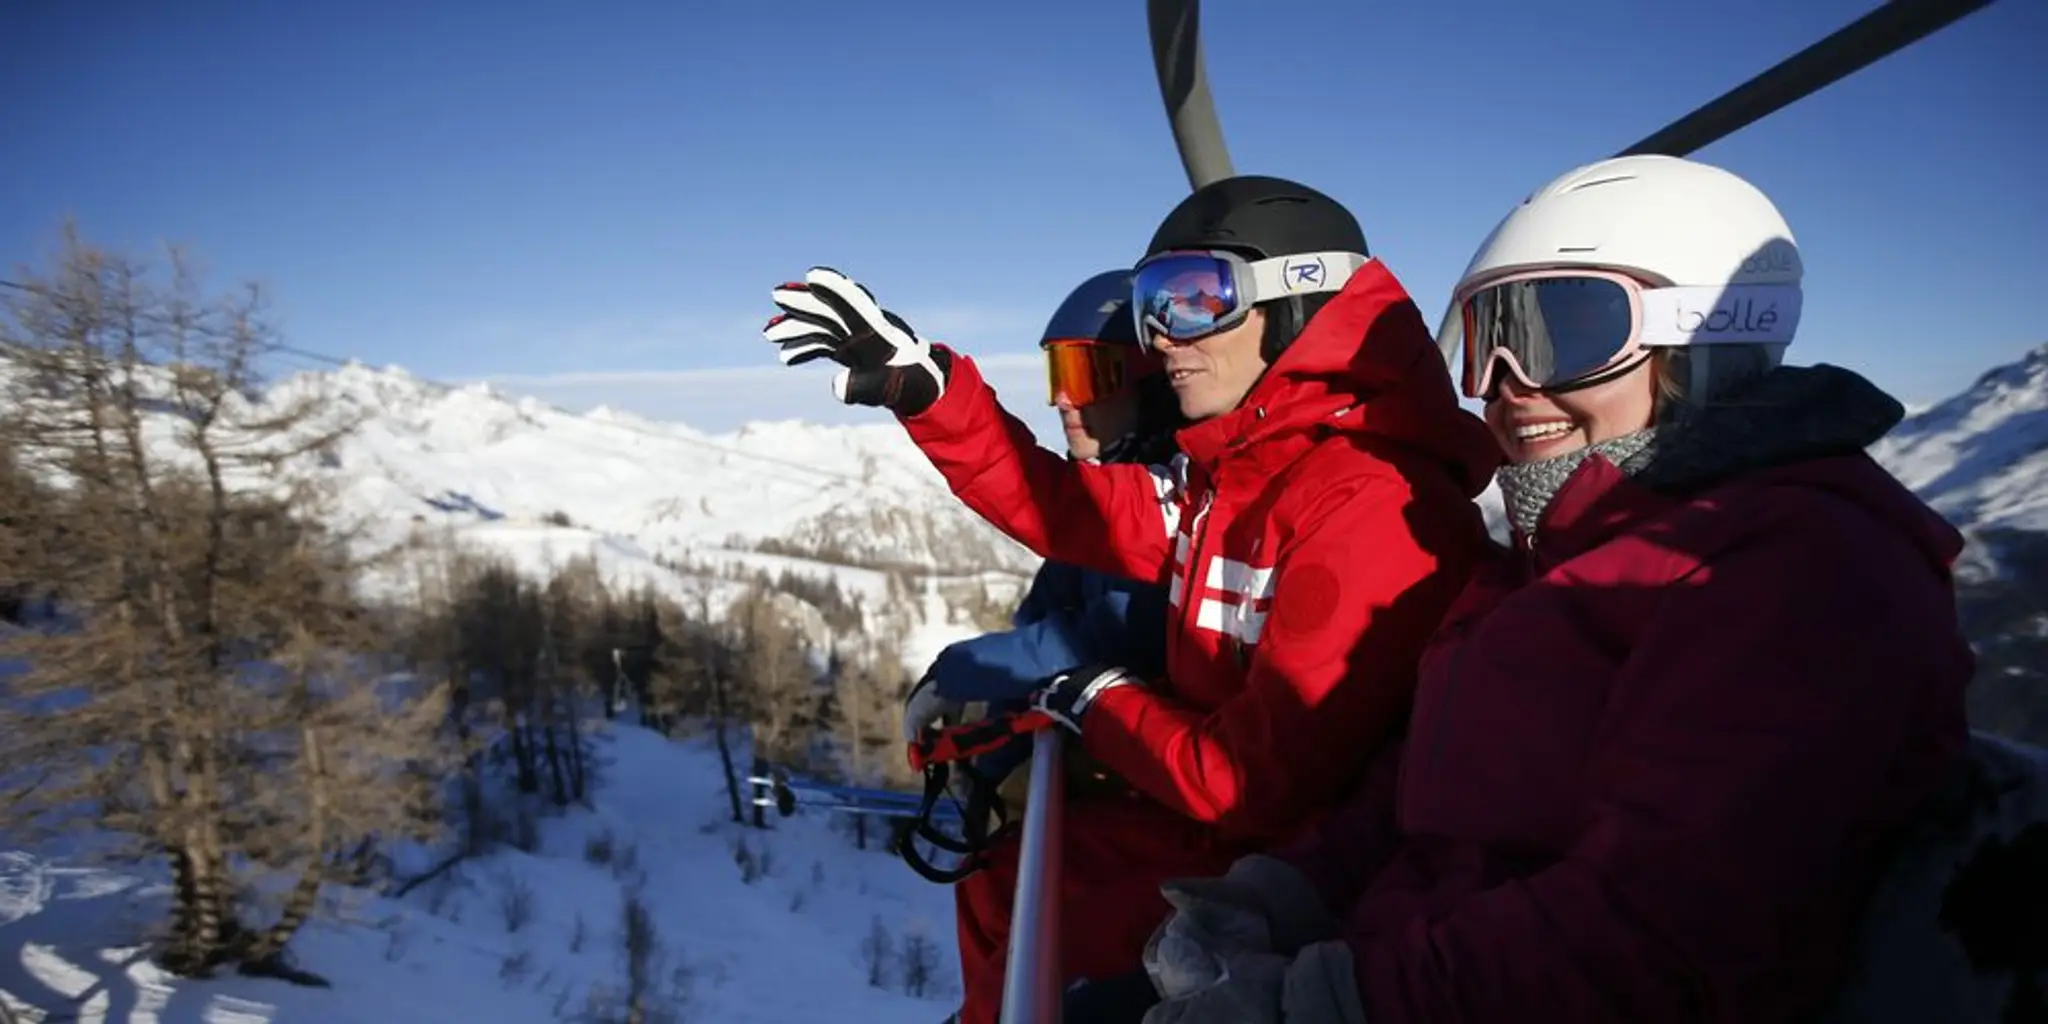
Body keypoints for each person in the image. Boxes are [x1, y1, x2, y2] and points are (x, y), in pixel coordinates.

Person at [1120, 153, 1984, 1024]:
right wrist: (1281, 892)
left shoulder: (1797, 572)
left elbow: (1660, 935)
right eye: (1489, 336)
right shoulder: (1552, 550)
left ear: (1703, 339)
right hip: (1407, 958)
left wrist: (1322, 1002)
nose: (1508, 382)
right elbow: (1424, 790)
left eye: (1566, 331)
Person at [763, 174, 1502, 1024]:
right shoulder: (1239, 480)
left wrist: (1095, 698)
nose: (1160, 336)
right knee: (998, 880)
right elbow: (1064, 509)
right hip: (1218, 822)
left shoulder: (1372, 508)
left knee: (1055, 929)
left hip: (1299, 863)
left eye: (1196, 298)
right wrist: (927, 392)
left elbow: (1248, 786)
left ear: (1302, 304)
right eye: (1153, 302)